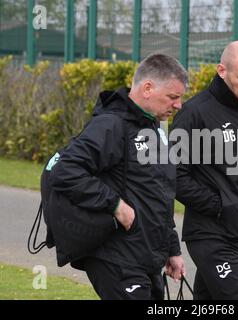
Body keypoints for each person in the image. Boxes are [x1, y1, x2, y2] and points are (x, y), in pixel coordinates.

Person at [50, 54, 187, 300]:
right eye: (173, 97)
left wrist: (172, 249)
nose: (178, 105)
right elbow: (66, 169)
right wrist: (114, 204)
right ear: (147, 88)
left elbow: (159, 194)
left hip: (147, 258)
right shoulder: (111, 124)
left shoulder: (153, 128)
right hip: (117, 257)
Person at [171, 41, 238, 300]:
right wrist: (220, 205)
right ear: (222, 70)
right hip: (210, 235)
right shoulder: (194, 112)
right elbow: (175, 176)